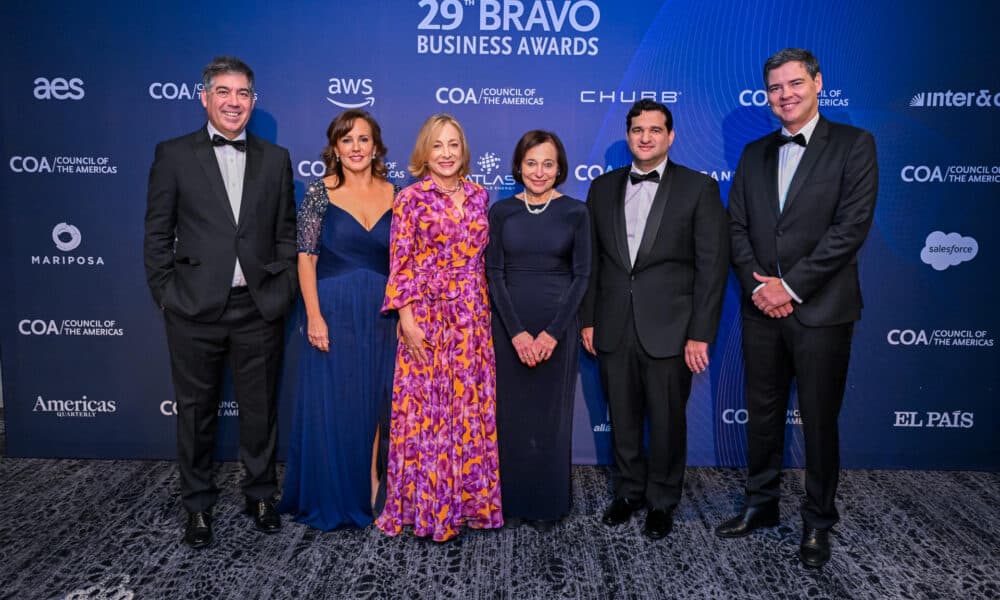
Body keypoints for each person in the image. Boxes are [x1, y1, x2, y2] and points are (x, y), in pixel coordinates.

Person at [716, 48, 878, 569]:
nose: (784, 95)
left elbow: (850, 229)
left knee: (819, 421)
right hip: (761, 309)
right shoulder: (753, 152)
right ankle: (761, 504)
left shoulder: (854, 145)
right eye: (775, 88)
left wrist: (790, 286)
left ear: (817, 83)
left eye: (794, 84)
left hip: (821, 311)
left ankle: (817, 522)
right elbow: (735, 227)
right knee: (762, 416)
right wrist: (760, 288)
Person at [143, 56, 297, 548]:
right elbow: (156, 233)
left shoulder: (276, 158)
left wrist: (281, 286)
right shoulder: (173, 154)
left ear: (254, 100)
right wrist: (168, 294)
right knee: (194, 412)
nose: (234, 102)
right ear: (204, 96)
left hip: (257, 307)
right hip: (193, 309)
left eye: (243, 93)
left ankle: (259, 494)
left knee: (260, 409)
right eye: (224, 92)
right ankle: (198, 506)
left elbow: (286, 233)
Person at [580, 99, 729, 540]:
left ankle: (663, 500)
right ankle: (628, 492)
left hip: (671, 330)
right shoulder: (601, 188)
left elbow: (711, 267)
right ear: (628, 135)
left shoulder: (697, 188)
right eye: (638, 130)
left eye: (655, 130)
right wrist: (588, 319)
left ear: (671, 136)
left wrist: (700, 333)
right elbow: (593, 263)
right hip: (612, 326)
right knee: (622, 419)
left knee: (666, 422)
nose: (646, 137)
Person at [375, 114, 503, 542]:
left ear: (463, 150)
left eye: (453, 145)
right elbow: (401, 262)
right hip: (427, 318)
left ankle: (472, 506)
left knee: (468, 413)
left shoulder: (480, 196)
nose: (446, 154)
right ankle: (429, 510)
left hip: (472, 318)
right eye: (438, 146)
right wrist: (406, 319)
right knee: (427, 415)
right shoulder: (410, 199)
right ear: (424, 152)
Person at [278, 110, 397, 530]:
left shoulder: (396, 193)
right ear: (335, 149)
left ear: (376, 146)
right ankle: (332, 489)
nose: (356, 148)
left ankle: (370, 484)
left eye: (363, 139)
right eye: (347, 141)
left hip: (383, 314)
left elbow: (405, 264)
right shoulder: (319, 193)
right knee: (336, 401)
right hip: (332, 309)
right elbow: (305, 260)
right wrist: (313, 316)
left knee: (376, 402)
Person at [486, 131, 590, 529]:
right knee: (510, 417)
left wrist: (551, 334)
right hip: (508, 327)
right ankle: (511, 501)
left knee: (551, 419)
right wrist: (515, 332)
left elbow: (582, 276)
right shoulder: (501, 212)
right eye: (531, 163)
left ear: (560, 167)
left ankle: (548, 504)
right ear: (519, 166)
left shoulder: (577, 212)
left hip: (557, 331)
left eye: (548, 163)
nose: (539, 171)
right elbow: (493, 273)